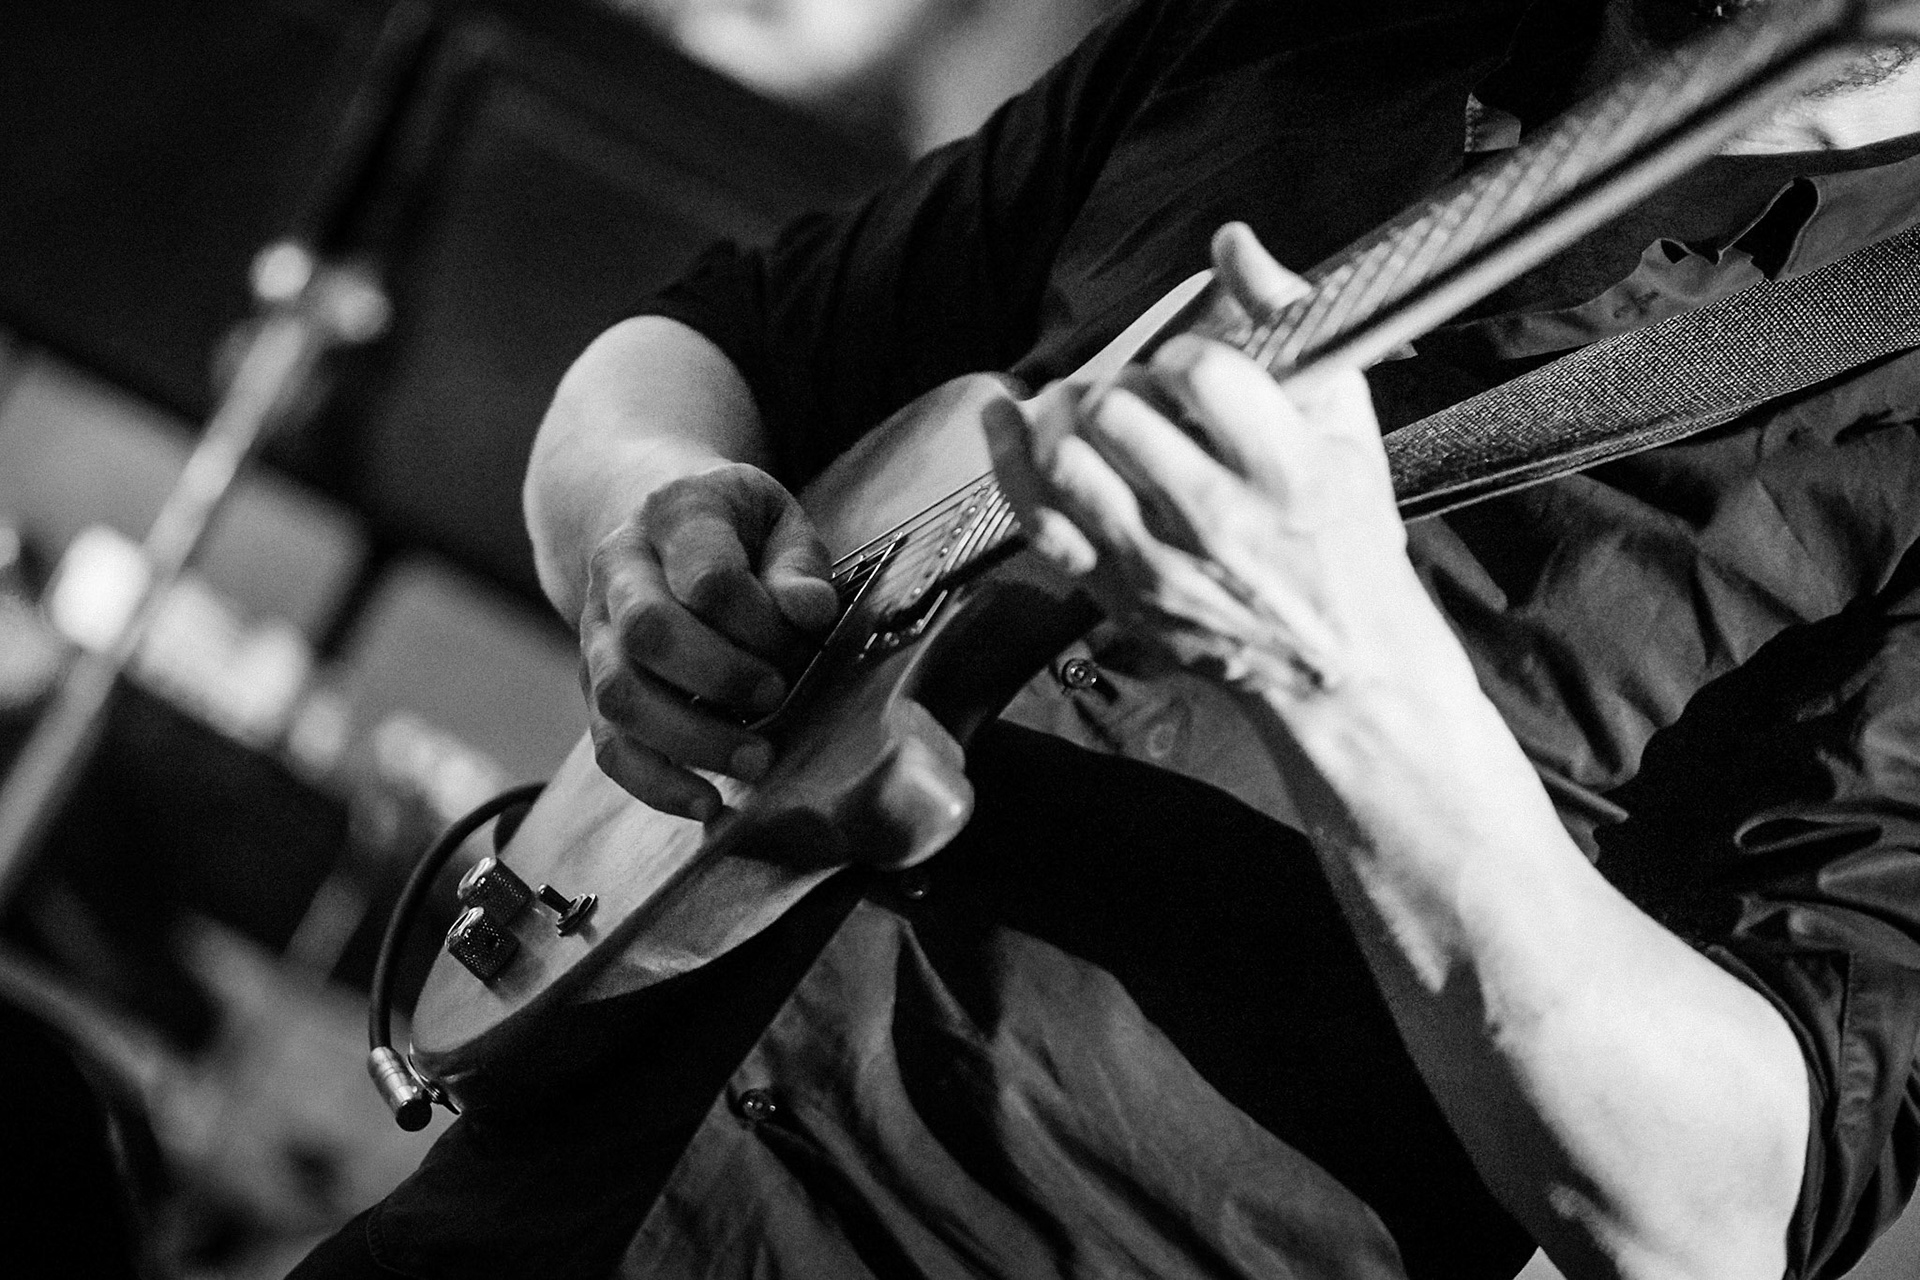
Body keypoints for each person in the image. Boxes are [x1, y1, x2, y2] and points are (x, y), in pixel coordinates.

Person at [293, 0, 1920, 1277]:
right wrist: (640, 539)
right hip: (542, 1193)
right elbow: (709, 344)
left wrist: (1337, 662)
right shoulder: (1312, 27)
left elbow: (1722, 1221)